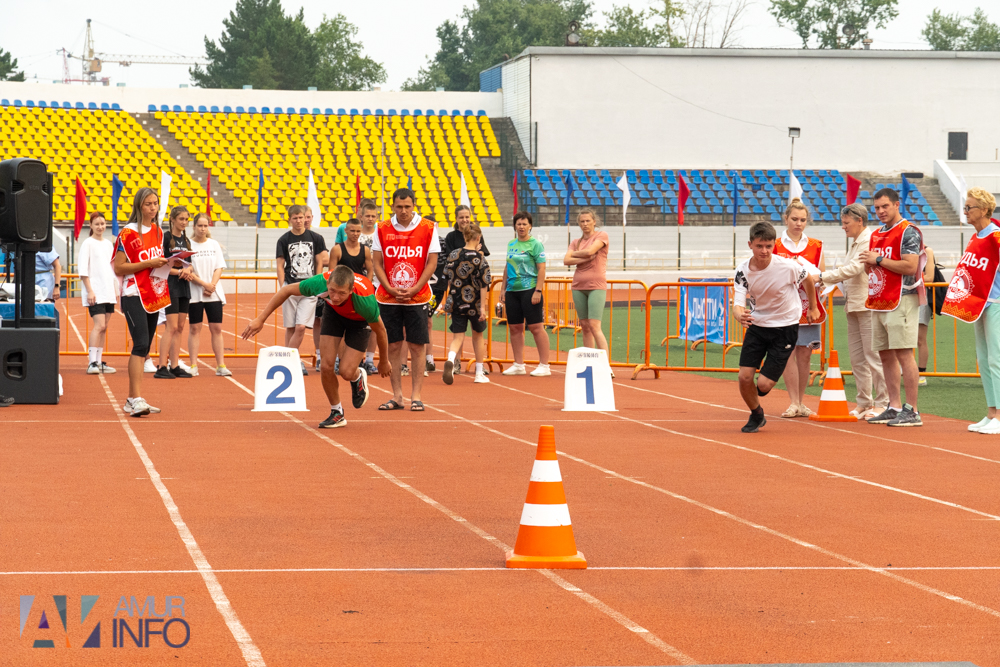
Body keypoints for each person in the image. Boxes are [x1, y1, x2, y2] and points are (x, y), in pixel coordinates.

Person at [242, 265, 391, 428]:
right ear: (328, 285)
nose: (335, 296)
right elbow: (286, 290)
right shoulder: (319, 282)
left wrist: (384, 360)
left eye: (341, 293)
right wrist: (261, 319)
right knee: (326, 366)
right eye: (332, 290)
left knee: (346, 372)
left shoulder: (365, 301)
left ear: (351, 290)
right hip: (334, 315)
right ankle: (337, 412)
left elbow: (381, 331)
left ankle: (357, 377)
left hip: (359, 321)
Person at [734, 221, 819, 433]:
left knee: (763, 386)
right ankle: (756, 414)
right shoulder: (743, 270)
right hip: (757, 326)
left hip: (785, 327)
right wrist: (739, 315)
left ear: (774, 245)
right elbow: (738, 303)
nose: (764, 251)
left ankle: (766, 384)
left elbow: (808, 279)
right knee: (744, 377)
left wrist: (813, 307)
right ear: (750, 245)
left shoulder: (787, 266)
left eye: (768, 246)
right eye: (759, 246)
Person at [860, 187, 925, 427]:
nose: (880, 211)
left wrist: (878, 260)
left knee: (904, 353)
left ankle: (912, 410)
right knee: (885, 354)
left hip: (902, 298)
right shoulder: (876, 234)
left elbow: (910, 266)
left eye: (885, 206)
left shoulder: (908, 231)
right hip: (880, 299)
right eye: (877, 207)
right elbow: (872, 268)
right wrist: (869, 265)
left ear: (897, 205)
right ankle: (894, 406)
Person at [818, 204, 888, 420]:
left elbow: (854, 269)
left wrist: (822, 277)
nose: (843, 227)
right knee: (858, 359)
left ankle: (883, 403)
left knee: (873, 357)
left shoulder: (868, 240)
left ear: (859, 220)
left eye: (846, 222)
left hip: (867, 305)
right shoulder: (856, 242)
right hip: (854, 305)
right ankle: (864, 402)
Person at [372, 188, 439, 412]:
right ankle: (397, 396)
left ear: (414, 205)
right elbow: (377, 262)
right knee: (392, 345)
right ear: (392, 206)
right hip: (388, 297)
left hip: (417, 297)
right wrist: (390, 288)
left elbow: (432, 262)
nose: (403, 211)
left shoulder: (429, 227)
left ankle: (416, 396)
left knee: (417, 346)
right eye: (399, 207)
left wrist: (416, 288)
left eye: (407, 206)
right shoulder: (381, 228)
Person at [941, 189, 1000, 434]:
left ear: (984, 210)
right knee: (984, 360)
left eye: (969, 207)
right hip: (979, 305)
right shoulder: (976, 237)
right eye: (965, 207)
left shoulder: (996, 236)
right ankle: (991, 412)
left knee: (996, 359)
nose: (965, 212)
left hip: (996, 302)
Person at [113, 187, 174, 417]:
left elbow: (157, 262)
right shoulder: (128, 233)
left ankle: (133, 399)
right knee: (140, 345)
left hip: (152, 294)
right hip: (133, 293)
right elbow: (119, 267)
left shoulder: (158, 231)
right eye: (148, 204)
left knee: (145, 346)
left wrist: (174, 265)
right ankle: (135, 398)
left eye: (155, 203)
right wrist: (149, 264)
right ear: (139, 206)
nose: (153, 207)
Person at [772, 198, 826, 418]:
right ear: (786, 219)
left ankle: (801, 402)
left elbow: (823, 276)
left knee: (804, 354)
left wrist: (817, 283)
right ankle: (793, 401)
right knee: (787, 353)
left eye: (802, 220)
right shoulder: (775, 244)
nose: (798, 223)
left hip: (809, 307)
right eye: (794, 219)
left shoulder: (816, 245)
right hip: (783, 307)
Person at [276, 204, 328, 375]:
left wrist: (317, 283)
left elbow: (320, 262)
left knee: (300, 327)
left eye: (301, 217)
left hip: (309, 289)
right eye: (295, 218)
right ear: (289, 220)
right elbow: (280, 264)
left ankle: (288, 360)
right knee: (290, 327)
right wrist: (283, 286)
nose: (299, 221)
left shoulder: (316, 238)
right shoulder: (283, 240)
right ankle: (294, 360)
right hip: (290, 288)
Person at [437, 223, 491, 385]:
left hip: (456, 301)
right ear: (478, 238)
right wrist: (483, 308)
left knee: (458, 336)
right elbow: (484, 284)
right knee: (478, 335)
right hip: (474, 303)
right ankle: (479, 373)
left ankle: (451, 359)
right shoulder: (480, 258)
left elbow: (447, 277)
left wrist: (451, 297)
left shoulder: (453, 254)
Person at [501, 211, 550, 376]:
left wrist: (538, 290)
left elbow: (541, 268)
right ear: (514, 226)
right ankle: (518, 364)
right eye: (518, 224)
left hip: (530, 290)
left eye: (524, 224)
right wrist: (503, 288)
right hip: (512, 291)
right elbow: (507, 266)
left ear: (530, 226)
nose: (521, 227)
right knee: (515, 328)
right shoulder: (511, 244)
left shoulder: (536, 244)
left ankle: (544, 365)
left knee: (536, 327)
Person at [563, 208, 610, 364]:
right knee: (584, 325)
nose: (585, 224)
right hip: (578, 286)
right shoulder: (575, 242)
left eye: (588, 221)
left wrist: (575, 254)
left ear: (594, 222)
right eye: (582, 221)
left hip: (596, 285)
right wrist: (585, 257)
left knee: (595, 325)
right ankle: (590, 363)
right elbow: (566, 260)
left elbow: (591, 251)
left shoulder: (601, 235)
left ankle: (605, 365)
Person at [186, 213, 231, 377]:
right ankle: (193, 365)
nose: (203, 229)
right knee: (194, 328)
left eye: (205, 226)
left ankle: (221, 365)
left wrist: (211, 285)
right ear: (194, 226)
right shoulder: (188, 245)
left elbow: (219, 267)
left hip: (213, 294)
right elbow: (188, 270)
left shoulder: (214, 244)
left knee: (216, 328)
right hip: (195, 293)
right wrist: (204, 285)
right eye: (200, 225)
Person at [155, 206, 195, 379]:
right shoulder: (165, 238)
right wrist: (179, 271)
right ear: (172, 219)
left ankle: (175, 365)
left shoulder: (186, 240)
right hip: (170, 286)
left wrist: (188, 270)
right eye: (181, 219)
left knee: (180, 327)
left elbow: (190, 264)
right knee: (170, 327)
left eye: (186, 219)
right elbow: (160, 265)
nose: (184, 222)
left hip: (184, 286)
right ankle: (162, 366)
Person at [78, 212, 118, 375]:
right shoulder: (88, 243)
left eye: (102, 224)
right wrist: (90, 291)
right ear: (91, 226)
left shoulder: (108, 244)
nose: (100, 227)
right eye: (97, 224)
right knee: (99, 325)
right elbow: (83, 270)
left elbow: (112, 269)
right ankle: (92, 362)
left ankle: (99, 361)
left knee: (104, 327)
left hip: (108, 291)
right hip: (95, 291)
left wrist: (115, 290)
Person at [304, 204, 326, 371]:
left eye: (308, 217)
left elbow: (324, 259)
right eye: (302, 216)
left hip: (316, 285)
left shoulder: (317, 238)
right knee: (299, 325)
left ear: (312, 218)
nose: (305, 220)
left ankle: (321, 356)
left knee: (321, 320)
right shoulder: (288, 238)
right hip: (298, 285)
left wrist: (317, 283)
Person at [916, 245, 937, 387]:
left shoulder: (926, 250)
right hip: (902, 298)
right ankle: (901, 369)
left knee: (920, 338)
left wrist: (907, 276)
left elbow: (930, 277)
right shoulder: (899, 247)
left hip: (922, 298)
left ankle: (921, 374)